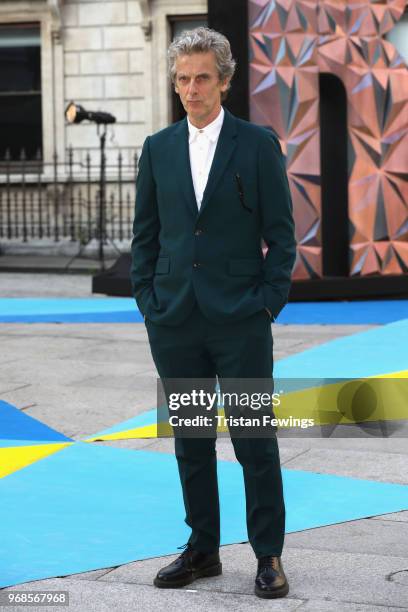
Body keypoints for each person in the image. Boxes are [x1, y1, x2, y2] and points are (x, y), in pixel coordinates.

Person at [130, 26, 296, 599]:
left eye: (202, 78)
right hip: (175, 319)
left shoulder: (257, 145)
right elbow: (145, 237)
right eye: (182, 79)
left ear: (224, 81)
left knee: (255, 438)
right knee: (192, 440)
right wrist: (149, 302)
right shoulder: (158, 148)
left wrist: (267, 305)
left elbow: (282, 236)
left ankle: (268, 555)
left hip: (241, 318)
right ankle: (202, 549)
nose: (192, 89)